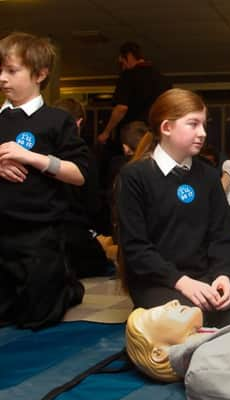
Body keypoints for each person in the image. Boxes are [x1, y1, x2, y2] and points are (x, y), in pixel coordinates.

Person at [116, 88, 230, 327]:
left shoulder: (209, 176)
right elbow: (136, 248)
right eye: (193, 124)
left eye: (203, 124)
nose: (202, 133)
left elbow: (223, 236)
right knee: (187, 324)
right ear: (166, 128)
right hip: (159, 281)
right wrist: (182, 282)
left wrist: (223, 276)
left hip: (205, 279)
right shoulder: (135, 176)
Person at [0, 32, 88, 329]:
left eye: (12, 71)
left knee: (37, 318)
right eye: (0, 70)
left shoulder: (56, 120)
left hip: (39, 232)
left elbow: (79, 174)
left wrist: (31, 157)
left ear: (40, 74)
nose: (3, 78)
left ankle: (67, 285)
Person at [54, 97, 113, 278]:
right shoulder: (84, 155)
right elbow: (92, 203)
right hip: (75, 233)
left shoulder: (37, 151)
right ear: (78, 122)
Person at [97, 42, 172, 145]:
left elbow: (121, 108)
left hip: (135, 131)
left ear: (129, 56)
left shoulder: (128, 76)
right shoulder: (163, 79)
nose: (122, 66)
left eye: (122, 62)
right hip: (157, 130)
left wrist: (106, 132)